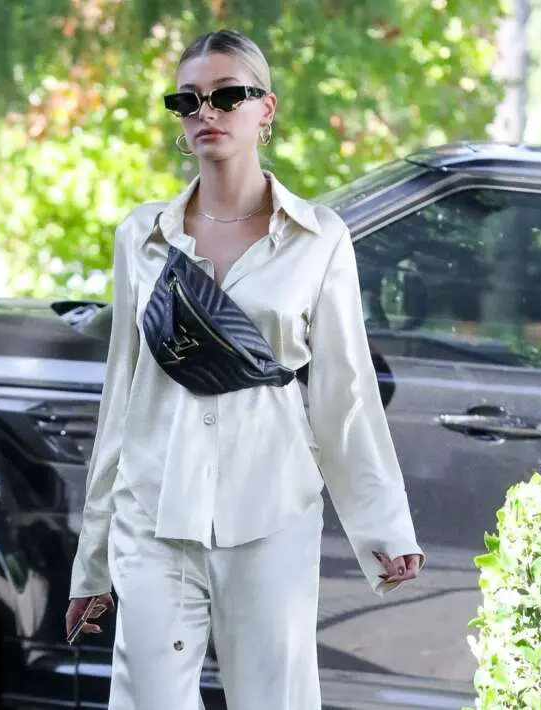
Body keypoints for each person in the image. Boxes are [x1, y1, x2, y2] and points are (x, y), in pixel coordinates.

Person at [66, 28, 424, 710]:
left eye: (228, 95)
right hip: (154, 514)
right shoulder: (142, 237)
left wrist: (385, 529)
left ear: (266, 108)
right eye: (188, 100)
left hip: (271, 513)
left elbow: (344, 395)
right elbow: (122, 397)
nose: (207, 111)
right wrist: (93, 561)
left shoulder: (318, 238)